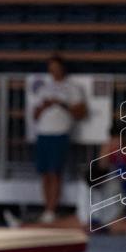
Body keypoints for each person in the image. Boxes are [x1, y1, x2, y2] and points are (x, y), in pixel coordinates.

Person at [32, 55, 87, 224]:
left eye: (56, 68)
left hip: (59, 133)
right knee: (44, 173)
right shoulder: (44, 88)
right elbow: (35, 115)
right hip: (43, 133)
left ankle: (52, 208)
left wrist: (61, 104)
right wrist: (44, 106)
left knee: (55, 172)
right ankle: (46, 207)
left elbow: (80, 113)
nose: (54, 71)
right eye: (51, 68)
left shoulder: (72, 88)